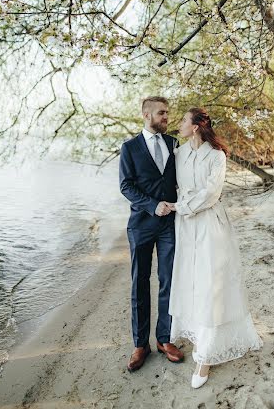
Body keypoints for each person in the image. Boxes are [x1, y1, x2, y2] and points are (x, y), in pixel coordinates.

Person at [169, 107, 263, 389]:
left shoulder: (216, 155)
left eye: (184, 121)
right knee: (191, 280)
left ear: (196, 126)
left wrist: (181, 206)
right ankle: (197, 334)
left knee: (212, 283)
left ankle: (205, 355)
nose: (179, 125)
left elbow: (211, 193)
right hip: (185, 225)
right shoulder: (179, 153)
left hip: (209, 222)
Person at [119, 96, 184, 372]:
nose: (166, 117)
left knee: (168, 280)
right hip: (141, 226)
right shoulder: (129, 148)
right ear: (147, 115)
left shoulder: (174, 144)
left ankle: (165, 339)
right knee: (139, 284)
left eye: (167, 113)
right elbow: (126, 186)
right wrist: (151, 205)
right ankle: (140, 344)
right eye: (162, 113)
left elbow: (183, 178)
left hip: (170, 225)